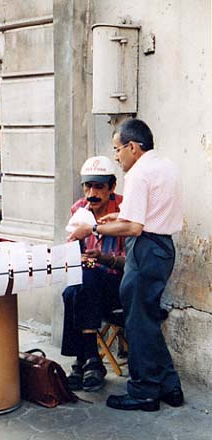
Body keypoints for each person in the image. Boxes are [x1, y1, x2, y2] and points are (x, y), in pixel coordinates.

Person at [68, 118, 184, 411]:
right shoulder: (165, 166)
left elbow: (133, 227)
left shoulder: (139, 173)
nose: (117, 156)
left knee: (138, 324)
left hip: (145, 249)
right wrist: (110, 220)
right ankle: (170, 387)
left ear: (133, 147)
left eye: (118, 149)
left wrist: (93, 229)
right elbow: (140, 217)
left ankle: (144, 392)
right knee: (146, 321)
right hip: (162, 248)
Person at [62, 156, 125, 392]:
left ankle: (83, 360)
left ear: (112, 187)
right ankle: (88, 361)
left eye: (99, 187)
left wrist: (103, 258)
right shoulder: (79, 209)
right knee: (71, 291)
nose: (92, 193)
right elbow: (71, 247)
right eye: (88, 186)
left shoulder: (124, 209)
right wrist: (75, 255)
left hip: (117, 285)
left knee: (85, 279)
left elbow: (131, 263)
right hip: (89, 287)